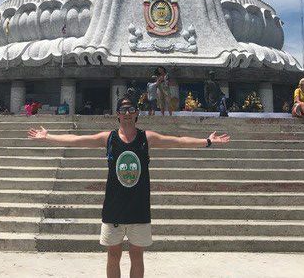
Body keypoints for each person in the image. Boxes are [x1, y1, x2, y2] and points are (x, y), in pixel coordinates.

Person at [28, 96, 230, 278]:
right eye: (123, 110)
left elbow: (178, 142)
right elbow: (77, 140)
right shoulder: (109, 138)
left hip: (138, 208)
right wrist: (48, 137)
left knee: (137, 256)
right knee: (113, 255)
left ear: (136, 113)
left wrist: (207, 141)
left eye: (131, 109)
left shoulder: (146, 138)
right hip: (114, 208)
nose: (127, 113)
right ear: (117, 114)